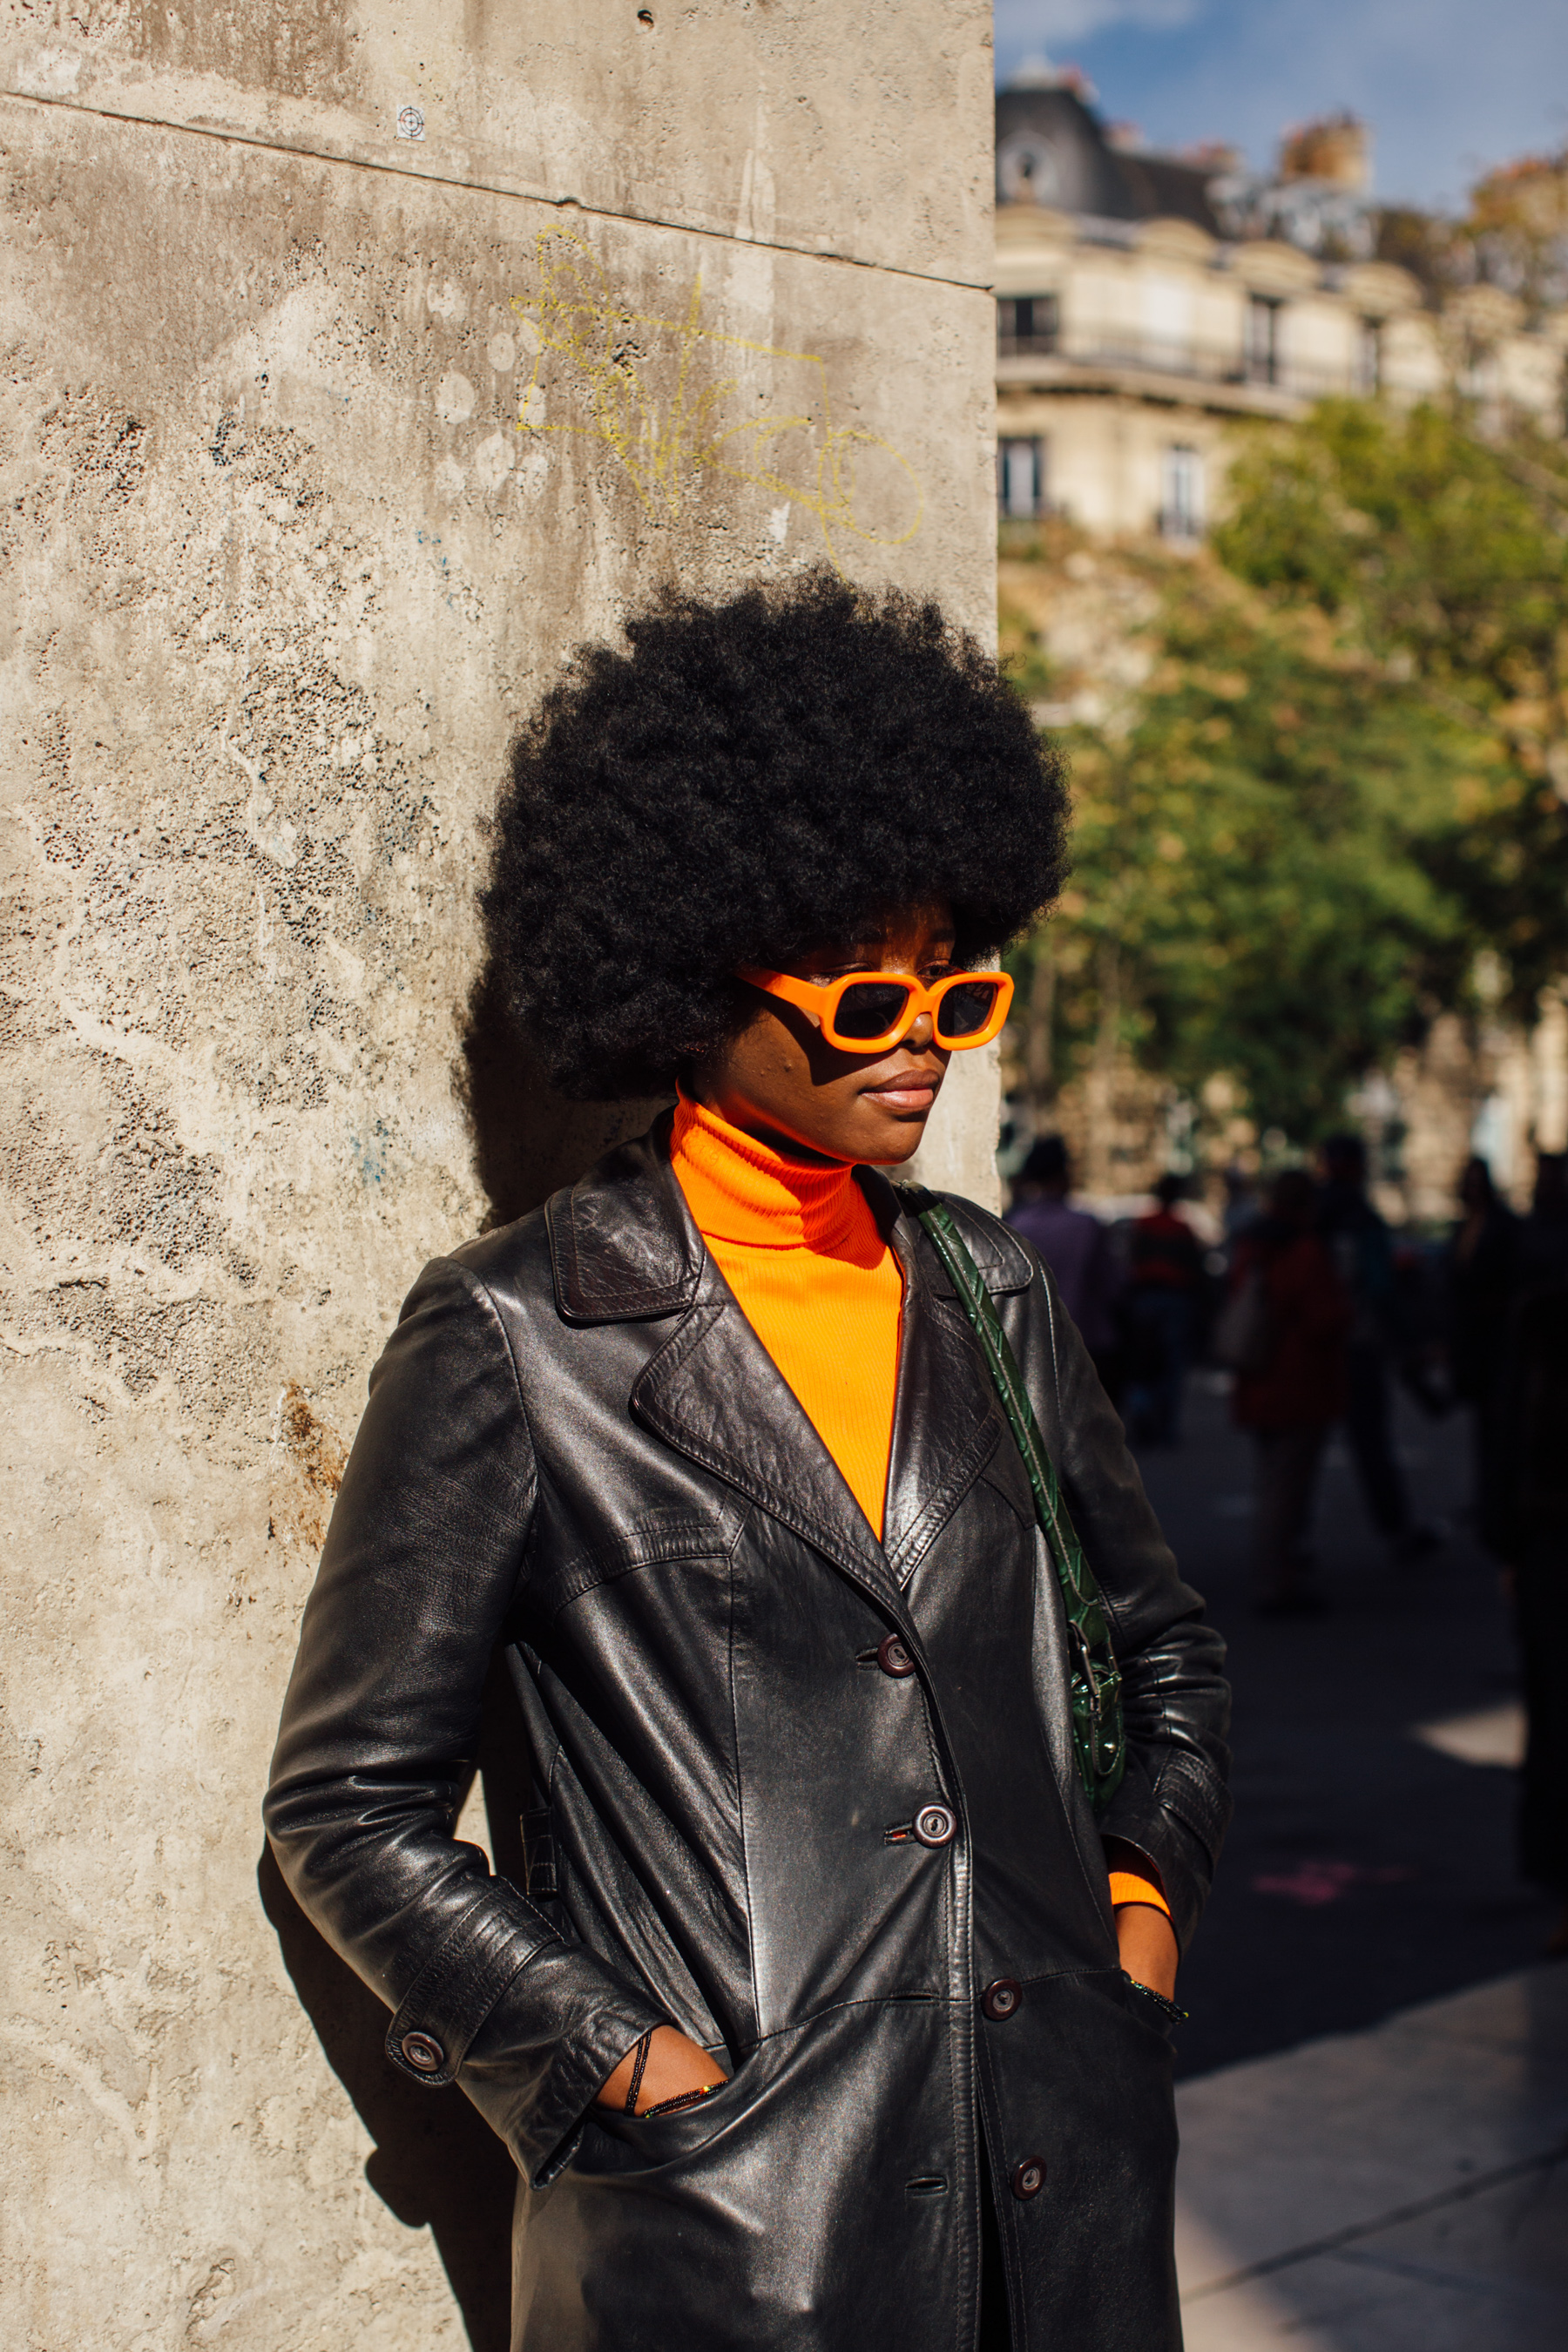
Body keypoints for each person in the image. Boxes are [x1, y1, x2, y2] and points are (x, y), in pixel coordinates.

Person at [263, 576, 1231, 2352]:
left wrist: (1137, 1923)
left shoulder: (990, 1290)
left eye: (956, 986)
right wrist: (623, 2069)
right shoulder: (516, 1335)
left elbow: (1163, 1653)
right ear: (695, 984)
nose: (925, 1036)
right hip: (738, 2229)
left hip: (1067, 2190)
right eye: (869, 1001)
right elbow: (347, 1809)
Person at [1229, 1169, 1351, 1616]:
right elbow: (1325, 1318)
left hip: (1259, 1379)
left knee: (1271, 1483)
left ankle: (1275, 1574)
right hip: (1299, 1383)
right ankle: (1276, 1582)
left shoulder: (1251, 1245)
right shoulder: (1304, 1250)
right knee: (1286, 1491)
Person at [1317, 1133, 1440, 1564]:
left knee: (1304, 1447)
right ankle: (1398, 1530)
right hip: (1356, 1343)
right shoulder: (1358, 1215)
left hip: (1315, 1343)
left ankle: (1286, 1543)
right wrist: (1409, 1340)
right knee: (1371, 1443)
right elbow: (1379, 1286)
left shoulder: (1313, 1213)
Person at [1005, 1134, 1122, 1395]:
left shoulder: (1017, 1225)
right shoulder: (1087, 1225)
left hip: (1032, 1346)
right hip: (1086, 1344)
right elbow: (1113, 1286)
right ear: (1064, 1173)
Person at [1446, 1156, 1519, 1557]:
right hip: (1473, 1345)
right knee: (1483, 1430)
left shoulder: (1503, 1227)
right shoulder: (1462, 1229)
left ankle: (1496, 1505)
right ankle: (1489, 1502)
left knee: (1498, 1429)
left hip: (1494, 1345)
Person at [1122, 1174, 1204, 1448]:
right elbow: (1195, 1269)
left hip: (1146, 1297)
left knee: (1143, 1362)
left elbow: (1131, 1259)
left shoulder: (1144, 1225)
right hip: (1174, 1299)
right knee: (1171, 1363)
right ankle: (1165, 1425)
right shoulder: (1182, 1229)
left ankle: (1142, 1413)